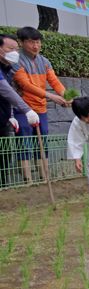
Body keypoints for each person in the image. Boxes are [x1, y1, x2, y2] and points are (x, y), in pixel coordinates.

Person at [11, 27, 68, 184]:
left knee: (42, 140)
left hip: (41, 108)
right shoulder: (16, 60)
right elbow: (26, 85)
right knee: (24, 140)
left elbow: (54, 81)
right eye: (31, 42)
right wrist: (51, 96)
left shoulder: (45, 61)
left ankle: (45, 178)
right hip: (22, 108)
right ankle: (27, 180)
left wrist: (66, 96)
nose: (35, 46)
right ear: (21, 43)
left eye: (37, 42)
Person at [0, 34, 39, 187]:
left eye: (16, 49)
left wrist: (10, 115)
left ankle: (3, 188)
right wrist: (27, 110)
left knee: (4, 155)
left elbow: (7, 95)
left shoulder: (7, 68)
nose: (15, 52)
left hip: (2, 119)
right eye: (10, 49)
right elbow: (5, 90)